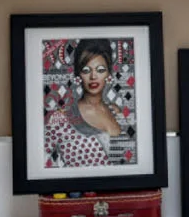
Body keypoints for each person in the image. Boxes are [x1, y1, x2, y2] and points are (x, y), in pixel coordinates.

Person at [44, 38, 132, 170]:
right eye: (86, 70)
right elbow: (42, 165)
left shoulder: (117, 112)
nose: (93, 76)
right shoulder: (61, 118)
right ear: (78, 74)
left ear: (109, 73)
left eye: (100, 70)